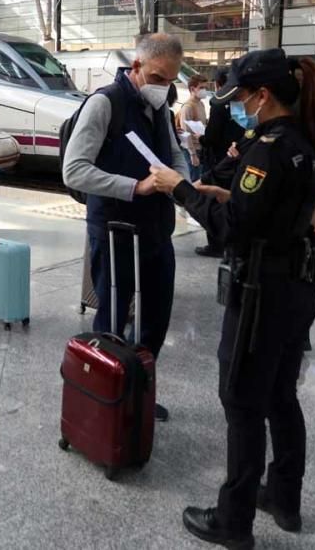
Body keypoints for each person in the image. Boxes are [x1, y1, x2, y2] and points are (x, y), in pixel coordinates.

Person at [149, 49, 315, 549]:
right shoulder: (303, 141)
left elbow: (233, 232)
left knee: (241, 401)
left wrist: (182, 191)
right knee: (280, 396)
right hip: (297, 284)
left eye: (242, 97)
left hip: (263, 294)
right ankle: (283, 498)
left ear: (265, 95)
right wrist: (231, 197)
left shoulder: (268, 149)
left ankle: (233, 521)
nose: (239, 106)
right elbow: (273, 210)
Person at [62, 32, 190, 423]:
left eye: (170, 80)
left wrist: (184, 187)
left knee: (155, 316)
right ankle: (105, 398)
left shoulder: (161, 108)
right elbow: (74, 169)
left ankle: (138, 388)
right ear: (136, 67)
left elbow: (174, 156)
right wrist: (134, 187)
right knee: (113, 320)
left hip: (155, 229)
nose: (163, 87)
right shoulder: (105, 103)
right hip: (115, 229)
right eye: (156, 77)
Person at [195, 68, 247, 258]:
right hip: (236, 156)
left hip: (220, 160)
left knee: (214, 198)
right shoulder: (242, 103)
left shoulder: (219, 104)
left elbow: (212, 136)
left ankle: (217, 244)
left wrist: (201, 138)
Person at [176, 75, 209, 183]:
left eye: (205, 88)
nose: (204, 91)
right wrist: (193, 154)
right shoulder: (188, 107)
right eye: (201, 88)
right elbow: (185, 134)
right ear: (192, 89)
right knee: (194, 181)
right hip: (192, 150)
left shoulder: (201, 104)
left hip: (201, 148)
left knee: (200, 180)